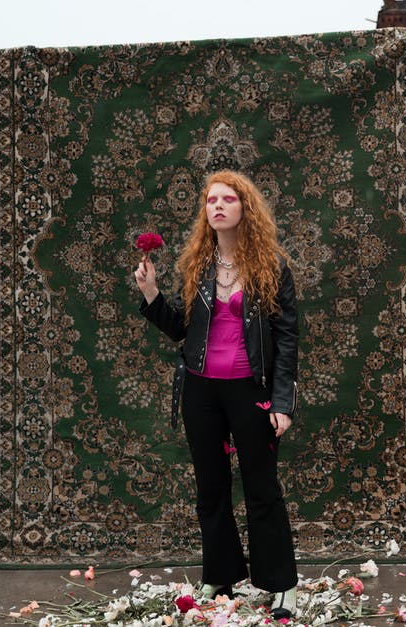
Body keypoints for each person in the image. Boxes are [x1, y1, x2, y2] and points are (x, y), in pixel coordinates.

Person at [133, 170, 299, 619]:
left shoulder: (272, 267)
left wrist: (282, 402)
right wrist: (151, 294)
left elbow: (287, 340)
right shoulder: (198, 267)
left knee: (262, 488)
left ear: (246, 208)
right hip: (201, 391)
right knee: (211, 488)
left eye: (228, 198)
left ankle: (281, 584)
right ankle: (220, 575)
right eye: (211, 200)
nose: (218, 205)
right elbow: (183, 333)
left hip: (252, 392)